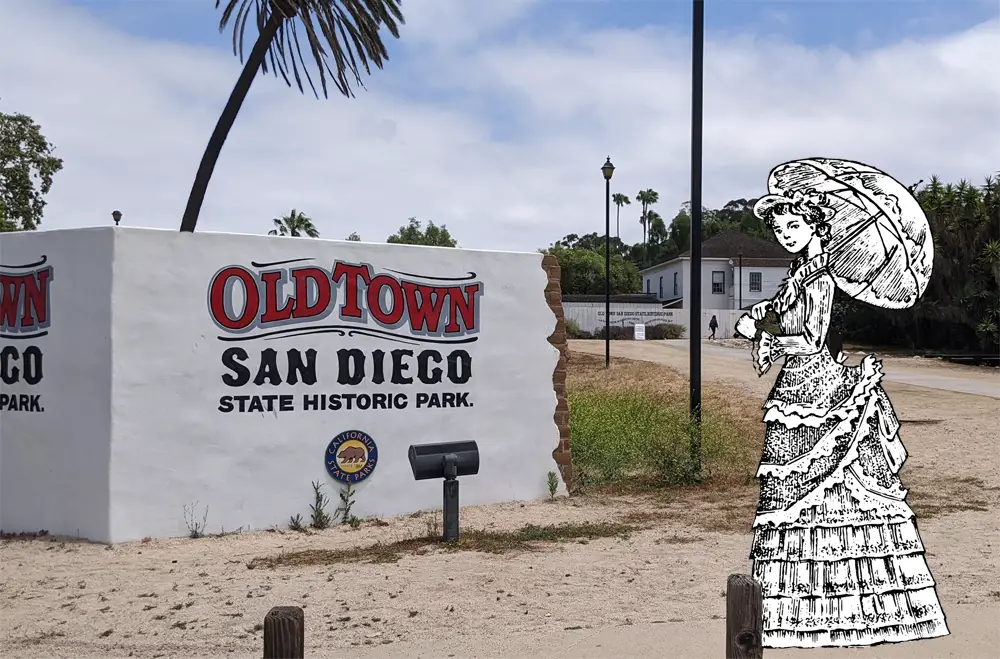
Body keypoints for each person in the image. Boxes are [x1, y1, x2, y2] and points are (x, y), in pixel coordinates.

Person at [741, 189, 948, 648]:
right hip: (797, 387)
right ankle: (790, 606)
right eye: (778, 229)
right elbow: (778, 307)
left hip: (813, 384)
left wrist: (770, 342)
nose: (784, 235)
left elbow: (811, 341)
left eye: (793, 227)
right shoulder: (801, 272)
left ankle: (842, 605)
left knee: (821, 493)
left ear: (816, 227)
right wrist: (756, 316)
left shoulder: (819, 278)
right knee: (790, 496)